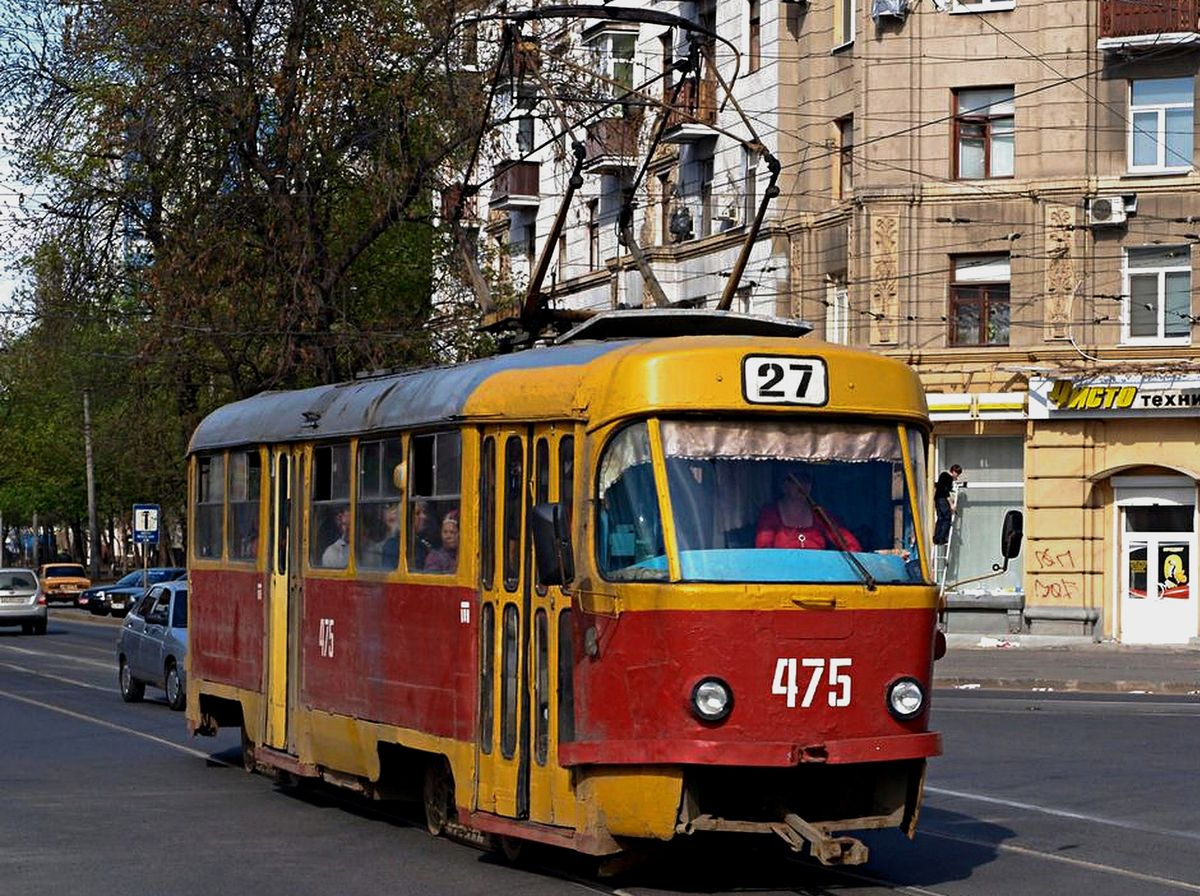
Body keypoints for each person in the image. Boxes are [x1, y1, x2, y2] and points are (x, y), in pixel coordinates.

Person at [755, 471, 862, 551]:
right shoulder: (770, 514)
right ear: (783, 486)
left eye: (806, 480)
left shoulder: (820, 514)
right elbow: (764, 548)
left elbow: (846, 542)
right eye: (795, 480)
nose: (801, 485)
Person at [933, 464, 962, 546]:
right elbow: (946, 491)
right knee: (947, 518)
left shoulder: (943, 475)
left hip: (937, 498)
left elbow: (939, 486)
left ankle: (936, 538)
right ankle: (942, 538)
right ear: (953, 471)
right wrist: (951, 504)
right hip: (942, 499)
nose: (957, 475)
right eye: (957, 473)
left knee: (940, 518)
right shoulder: (948, 477)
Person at [409, 500, 440, 571]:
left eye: (424, 512)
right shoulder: (393, 546)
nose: (424, 517)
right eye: (417, 513)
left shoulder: (424, 545)